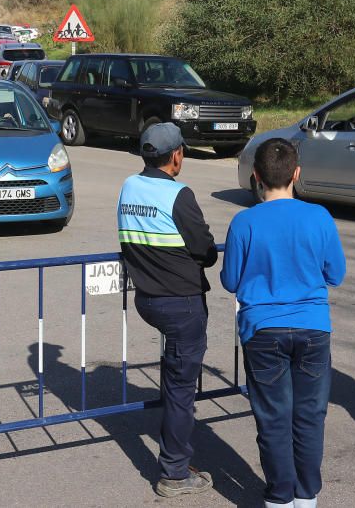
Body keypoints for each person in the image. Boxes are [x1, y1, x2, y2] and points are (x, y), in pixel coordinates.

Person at [221, 138, 346, 508]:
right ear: (296, 173)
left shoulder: (244, 222)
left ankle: (279, 497)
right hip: (312, 326)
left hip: (262, 329)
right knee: (310, 417)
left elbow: (230, 280)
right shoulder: (319, 217)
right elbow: (335, 273)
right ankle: (307, 496)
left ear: (256, 177)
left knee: (273, 418)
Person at [116, 122, 217, 498]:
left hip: (148, 297)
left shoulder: (129, 185)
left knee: (174, 377)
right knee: (179, 389)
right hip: (181, 303)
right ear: (176, 155)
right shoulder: (178, 194)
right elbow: (205, 251)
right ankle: (174, 472)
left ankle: (176, 458)